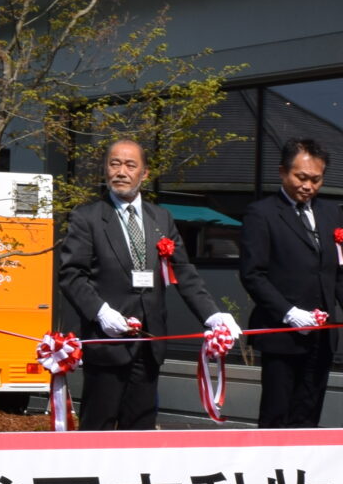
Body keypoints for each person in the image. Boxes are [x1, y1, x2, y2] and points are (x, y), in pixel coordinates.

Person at [53, 138, 238, 428]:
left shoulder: (160, 218)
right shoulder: (87, 217)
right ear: (105, 169)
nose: (121, 171)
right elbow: (71, 274)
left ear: (145, 173)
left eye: (130, 165)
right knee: (97, 429)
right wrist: (101, 312)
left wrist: (212, 315)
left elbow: (184, 271)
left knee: (140, 430)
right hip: (107, 343)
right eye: (114, 163)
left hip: (149, 345)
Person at [239, 138, 343, 428]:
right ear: (282, 172)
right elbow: (253, 274)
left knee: (309, 413)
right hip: (282, 333)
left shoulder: (332, 213)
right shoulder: (261, 213)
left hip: (323, 334)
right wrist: (289, 312)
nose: (308, 186)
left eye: (316, 179)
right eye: (301, 177)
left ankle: (304, 471)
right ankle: (271, 472)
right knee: (277, 414)